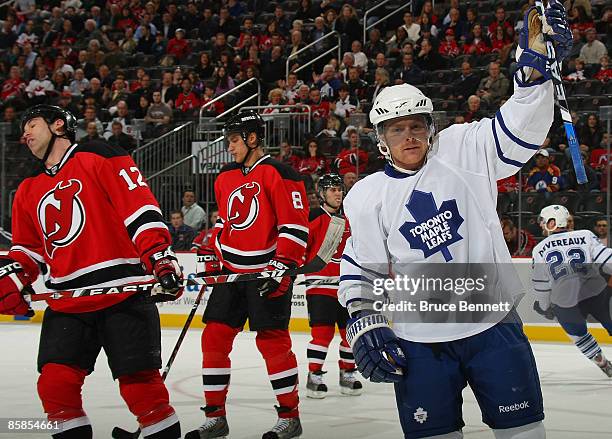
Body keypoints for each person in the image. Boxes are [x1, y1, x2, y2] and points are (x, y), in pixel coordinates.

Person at [339, 3, 572, 438]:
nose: (409, 135)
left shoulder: (464, 148)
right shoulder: (367, 195)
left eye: (417, 125)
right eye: (396, 128)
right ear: (381, 138)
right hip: (418, 334)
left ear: (431, 127)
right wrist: (362, 318)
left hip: (493, 324)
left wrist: (533, 74)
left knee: (525, 432)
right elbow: (362, 267)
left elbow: (519, 130)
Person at [0, 105, 183, 438]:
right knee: (55, 388)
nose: (24, 133)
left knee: (143, 393)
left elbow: (139, 208)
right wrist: (14, 279)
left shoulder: (98, 154)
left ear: (59, 124)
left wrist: (160, 257)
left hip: (122, 292)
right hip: (67, 301)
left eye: (32, 124)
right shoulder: (27, 188)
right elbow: (28, 251)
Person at [188, 111, 309, 439]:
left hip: (267, 270)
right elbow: (223, 221)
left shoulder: (280, 173)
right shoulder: (225, 176)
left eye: (234, 141)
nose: (229, 147)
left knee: (272, 342)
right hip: (232, 273)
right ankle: (215, 416)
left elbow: (295, 225)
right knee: (213, 336)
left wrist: (283, 264)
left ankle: (290, 416)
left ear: (252, 139)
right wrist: (214, 252)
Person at [532, 205, 612, 376]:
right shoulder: (585, 235)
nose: (540, 224)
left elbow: (541, 285)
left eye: (543, 220)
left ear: (552, 222)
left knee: (579, 335)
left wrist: (545, 306)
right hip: (595, 292)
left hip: (565, 302)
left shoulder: (539, 249)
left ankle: (602, 362)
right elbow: (607, 260)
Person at [304, 174, 361, 399]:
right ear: (322, 194)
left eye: (339, 189)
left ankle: (347, 372)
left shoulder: (348, 220)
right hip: (319, 286)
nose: (338, 193)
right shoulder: (313, 217)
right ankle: (314, 376)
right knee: (322, 334)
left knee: (350, 334)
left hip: (345, 287)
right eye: (333, 189)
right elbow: (301, 248)